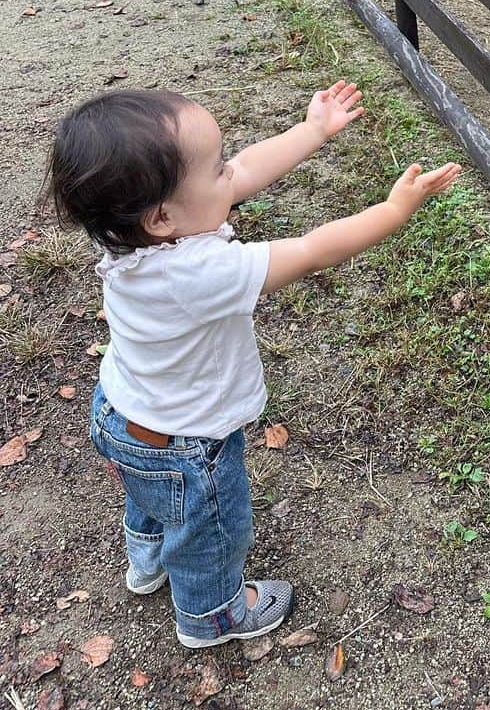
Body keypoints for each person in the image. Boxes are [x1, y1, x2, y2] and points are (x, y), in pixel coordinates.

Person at [46, 82, 460, 649]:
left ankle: (146, 562)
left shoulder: (126, 234)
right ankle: (210, 615)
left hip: (121, 411)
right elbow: (314, 249)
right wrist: (393, 210)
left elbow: (245, 172)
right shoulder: (198, 273)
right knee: (212, 527)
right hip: (187, 442)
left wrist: (312, 131)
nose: (231, 173)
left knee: (153, 498)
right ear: (164, 215)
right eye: (216, 170)